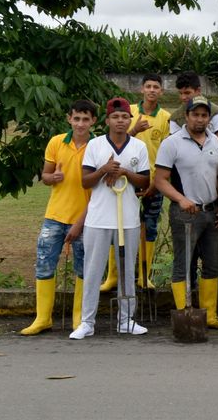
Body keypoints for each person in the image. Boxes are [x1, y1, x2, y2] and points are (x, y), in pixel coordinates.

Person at [70, 97, 150, 340]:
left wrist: (124, 172)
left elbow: (144, 181)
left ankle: (126, 320)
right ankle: (87, 322)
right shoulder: (95, 145)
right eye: (115, 117)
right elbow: (85, 181)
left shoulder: (138, 147)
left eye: (124, 117)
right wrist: (104, 170)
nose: (120, 121)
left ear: (129, 120)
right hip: (98, 218)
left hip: (128, 219)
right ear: (107, 120)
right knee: (93, 270)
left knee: (127, 271)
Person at [21, 99, 97, 336]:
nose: (80, 124)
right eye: (76, 119)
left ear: (93, 121)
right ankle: (42, 318)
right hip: (54, 215)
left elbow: (99, 192)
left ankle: (79, 318)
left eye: (85, 119)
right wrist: (51, 178)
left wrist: (79, 223)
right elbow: (45, 175)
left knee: (84, 267)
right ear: (69, 119)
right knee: (44, 263)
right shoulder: (56, 141)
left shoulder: (98, 146)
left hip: (86, 217)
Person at [154, 95, 218, 329]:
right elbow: (160, 180)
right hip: (185, 212)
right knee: (183, 264)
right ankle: (184, 314)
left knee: (213, 264)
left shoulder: (215, 141)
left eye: (204, 115)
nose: (200, 119)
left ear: (209, 118)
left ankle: (210, 315)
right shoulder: (172, 143)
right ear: (186, 116)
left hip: (211, 211)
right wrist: (181, 199)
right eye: (195, 114)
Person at [100, 74, 171, 292]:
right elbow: (114, 140)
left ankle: (143, 275)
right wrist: (135, 130)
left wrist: (155, 182)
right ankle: (113, 276)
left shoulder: (166, 118)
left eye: (156, 87)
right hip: (123, 179)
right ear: (142, 89)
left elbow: (166, 153)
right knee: (117, 224)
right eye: (148, 86)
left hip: (152, 182)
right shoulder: (128, 111)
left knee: (149, 226)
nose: (152, 90)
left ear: (161, 91)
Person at [169, 71, 218, 150]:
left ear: (198, 90)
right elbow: (173, 146)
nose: (183, 97)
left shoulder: (216, 113)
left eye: (187, 93)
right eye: (180, 93)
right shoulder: (176, 117)